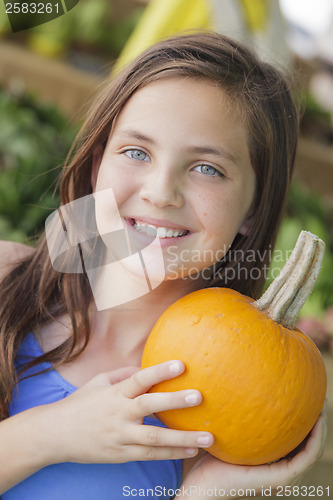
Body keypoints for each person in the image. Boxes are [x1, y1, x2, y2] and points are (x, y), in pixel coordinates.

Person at [0, 32, 327, 499]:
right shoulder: (5, 280)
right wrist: (52, 433)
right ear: (98, 165)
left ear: (254, 208)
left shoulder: (225, 409)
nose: (160, 191)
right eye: (137, 152)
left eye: (207, 168)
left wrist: (200, 495)